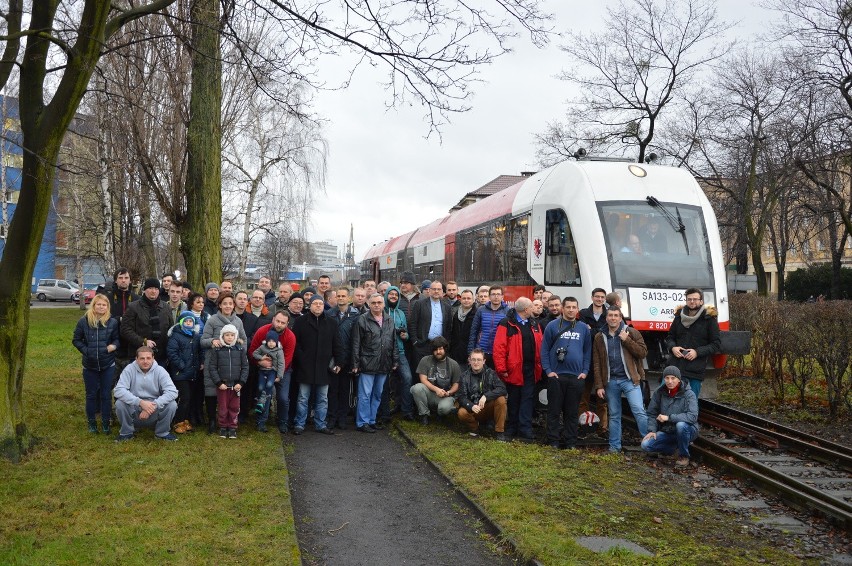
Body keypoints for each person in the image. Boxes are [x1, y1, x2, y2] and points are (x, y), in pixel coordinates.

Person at [593, 306, 648, 452]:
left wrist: (627, 340)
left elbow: (643, 353)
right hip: (611, 381)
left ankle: (649, 443)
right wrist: (599, 385)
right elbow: (597, 362)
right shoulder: (599, 336)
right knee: (614, 414)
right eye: (610, 315)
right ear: (606, 318)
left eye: (616, 315)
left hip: (630, 380)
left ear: (620, 317)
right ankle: (614, 447)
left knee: (638, 410)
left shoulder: (632, 332)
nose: (613, 318)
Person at [541, 297, 591, 449]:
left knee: (572, 412)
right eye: (568, 307)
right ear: (562, 308)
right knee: (554, 411)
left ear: (577, 309)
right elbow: (544, 350)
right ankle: (553, 441)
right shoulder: (552, 326)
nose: (571, 310)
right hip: (556, 376)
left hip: (576, 377)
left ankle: (570, 442)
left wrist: (585, 371)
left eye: (573, 307)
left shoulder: (583, 328)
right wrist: (548, 371)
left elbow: (587, 351)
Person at [492, 297, 542, 442]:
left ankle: (525, 429)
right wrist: (502, 369)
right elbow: (499, 348)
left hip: (530, 368)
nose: (534, 308)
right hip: (513, 369)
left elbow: (540, 344)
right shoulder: (506, 324)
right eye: (532, 306)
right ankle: (512, 427)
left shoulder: (534, 323)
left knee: (528, 398)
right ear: (526, 309)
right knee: (514, 399)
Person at [72, 294, 120, 434]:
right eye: (98, 304)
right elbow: (76, 340)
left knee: (106, 394)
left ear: (107, 307)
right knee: (91, 395)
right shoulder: (84, 321)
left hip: (108, 364)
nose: (101, 307)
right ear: (93, 305)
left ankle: (106, 422)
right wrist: (86, 351)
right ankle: (91, 422)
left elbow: (117, 339)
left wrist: (113, 347)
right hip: (89, 365)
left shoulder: (112, 322)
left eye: (104, 305)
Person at [351, 293, 399, 432]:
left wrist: (395, 360)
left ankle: (371, 420)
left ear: (383, 304)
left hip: (384, 363)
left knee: (377, 394)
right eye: (373, 303)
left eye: (379, 302)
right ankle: (362, 422)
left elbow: (393, 342)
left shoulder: (389, 320)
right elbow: (356, 343)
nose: (377, 305)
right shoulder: (362, 320)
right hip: (367, 362)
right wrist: (355, 364)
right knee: (364, 395)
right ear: (369, 304)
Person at [200, 292, 248, 432]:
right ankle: (212, 421)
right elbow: (203, 341)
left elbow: (244, 340)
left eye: (230, 303)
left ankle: (229, 421)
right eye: (225, 303)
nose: (228, 306)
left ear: (234, 305)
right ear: (220, 305)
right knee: (211, 391)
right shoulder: (213, 320)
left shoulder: (238, 321)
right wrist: (212, 341)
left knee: (230, 394)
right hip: (214, 361)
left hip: (233, 363)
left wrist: (240, 350)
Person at [291, 295, 338, 435]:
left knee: (322, 398)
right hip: (305, 366)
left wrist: (338, 362)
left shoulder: (331, 323)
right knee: (303, 398)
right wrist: (302, 358)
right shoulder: (300, 321)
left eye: (320, 304)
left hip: (324, 367)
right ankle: (299, 423)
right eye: (315, 303)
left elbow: (336, 344)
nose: (318, 306)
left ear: (324, 306)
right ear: (310, 305)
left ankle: (320, 424)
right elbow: (296, 344)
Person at [113, 347, 178, 441]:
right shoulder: (129, 369)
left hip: (154, 411)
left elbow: (172, 392)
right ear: (136, 359)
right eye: (142, 358)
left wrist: (152, 406)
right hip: (134, 410)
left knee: (172, 404)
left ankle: (162, 433)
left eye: (148, 358)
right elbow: (118, 390)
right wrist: (140, 402)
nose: (145, 361)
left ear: (153, 358)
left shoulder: (160, 371)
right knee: (120, 403)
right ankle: (126, 433)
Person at [665, 288, 721, 398]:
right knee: (666, 400)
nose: (692, 301)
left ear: (701, 301)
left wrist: (697, 352)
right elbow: (670, 338)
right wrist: (672, 348)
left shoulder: (709, 319)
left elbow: (716, 344)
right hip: (675, 368)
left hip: (695, 370)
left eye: (695, 299)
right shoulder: (678, 317)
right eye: (689, 299)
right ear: (686, 300)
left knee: (691, 403)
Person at [641, 366, 699, 466]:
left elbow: (692, 416)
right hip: (667, 431)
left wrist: (669, 418)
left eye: (673, 378)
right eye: (667, 378)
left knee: (680, 425)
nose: (670, 381)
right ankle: (674, 448)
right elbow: (651, 413)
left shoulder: (689, 394)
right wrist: (652, 430)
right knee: (645, 445)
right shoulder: (659, 393)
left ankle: (684, 456)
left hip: (688, 430)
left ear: (679, 379)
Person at [249, 311, 296, 434]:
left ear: (287, 324)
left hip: (283, 370)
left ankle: (282, 421)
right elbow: (252, 351)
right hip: (263, 369)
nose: (279, 324)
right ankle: (261, 421)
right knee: (265, 394)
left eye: (283, 323)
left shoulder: (290, 337)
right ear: (273, 319)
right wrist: (260, 362)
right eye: (278, 321)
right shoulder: (262, 331)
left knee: (283, 398)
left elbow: (287, 358)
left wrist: (276, 372)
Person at [378, 286, 414, 422]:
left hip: (400, 351)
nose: (393, 296)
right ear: (386, 296)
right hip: (384, 353)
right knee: (384, 383)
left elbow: (406, 335)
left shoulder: (400, 313)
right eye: (391, 294)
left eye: (396, 295)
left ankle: (406, 410)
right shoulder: (381, 312)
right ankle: (384, 412)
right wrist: (394, 331)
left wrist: (405, 335)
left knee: (407, 378)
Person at [205, 324, 249, 438]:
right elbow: (212, 367)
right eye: (227, 335)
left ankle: (233, 427)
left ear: (235, 336)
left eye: (232, 335)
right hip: (223, 385)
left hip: (236, 386)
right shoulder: (217, 350)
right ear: (222, 336)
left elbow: (245, 367)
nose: (229, 337)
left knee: (234, 407)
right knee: (223, 407)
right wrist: (219, 383)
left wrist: (241, 382)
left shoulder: (240, 349)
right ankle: (223, 426)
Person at [455, 349, 508, 440]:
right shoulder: (464, 376)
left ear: (484, 361)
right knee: (461, 413)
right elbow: (461, 396)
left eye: (479, 360)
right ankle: (475, 429)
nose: (476, 362)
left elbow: (502, 389)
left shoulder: (491, 373)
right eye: (473, 359)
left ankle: (499, 432)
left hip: (487, 407)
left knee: (501, 400)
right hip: (473, 410)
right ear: (469, 360)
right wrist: (471, 406)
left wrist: (486, 396)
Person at [121, 277, 174, 368]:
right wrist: (143, 341)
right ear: (145, 290)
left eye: (156, 289)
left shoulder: (166, 307)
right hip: (139, 356)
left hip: (161, 357)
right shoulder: (133, 307)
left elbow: (170, 329)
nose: (153, 291)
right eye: (150, 288)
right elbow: (125, 330)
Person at [329, 288, 362, 428]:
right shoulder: (329, 314)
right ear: (335, 298)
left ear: (348, 298)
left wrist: (354, 360)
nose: (341, 298)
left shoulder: (356, 316)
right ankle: (331, 417)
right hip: (333, 359)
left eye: (343, 296)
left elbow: (357, 340)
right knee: (332, 390)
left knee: (344, 390)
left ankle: (342, 417)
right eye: (339, 296)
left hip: (348, 358)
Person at [411, 337, 461, 425]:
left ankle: (440, 414)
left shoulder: (454, 364)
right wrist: (436, 390)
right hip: (429, 393)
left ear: (445, 349)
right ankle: (424, 415)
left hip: (446, 396)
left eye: (440, 349)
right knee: (417, 388)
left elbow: (456, 384)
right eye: (435, 349)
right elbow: (423, 379)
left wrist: (448, 392)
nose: (438, 352)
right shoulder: (425, 360)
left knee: (444, 408)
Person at [166, 310, 202, 434]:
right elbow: (172, 353)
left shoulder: (196, 336)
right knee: (184, 397)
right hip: (180, 373)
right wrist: (181, 365)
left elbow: (199, 352)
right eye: (186, 321)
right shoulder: (176, 336)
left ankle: (185, 420)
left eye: (190, 321)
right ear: (181, 322)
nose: (188, 323)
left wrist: (199, 364)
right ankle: (178, 422)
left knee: (190, 398)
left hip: (193, 372)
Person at [579, 288, 609, 429]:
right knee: (583, 397)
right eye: (597, 296)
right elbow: (583, 332)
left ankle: (602, 429)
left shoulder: (609, 314)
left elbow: (605, 334)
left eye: (602, 297)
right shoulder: (584, 313)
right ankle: (582, 425)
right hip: (586, 359)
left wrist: (592, 330)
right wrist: (598, 331)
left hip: (603, 361)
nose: (599, 299)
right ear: (592, 298)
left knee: (602, 399)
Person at [410, 280, 451, 368]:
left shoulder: (447, 306)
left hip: (439, 346)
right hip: (422, 344)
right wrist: (415, 341)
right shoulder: (419, 304)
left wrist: (446, 343)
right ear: (429, 290)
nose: (436, 291)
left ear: (442, 292)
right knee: (421, 371)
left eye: (439, 289)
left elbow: (448, 326)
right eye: (434, 289)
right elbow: (412, 323)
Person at [467, 285, 509, 367]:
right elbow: (473, 332)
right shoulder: (481, 310)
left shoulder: (507, 311)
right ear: (489, 296)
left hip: (498, 353)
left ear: (502, 296)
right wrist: (470, 353)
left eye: (498, 294)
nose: (496, 297)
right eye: (493, 294)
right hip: (481, 351)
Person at [252, 328, 285, 424]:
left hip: (272, 371)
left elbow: (281, 364)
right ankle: (260, 401)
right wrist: (261, 358)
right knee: (260, 386)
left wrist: (279, 376)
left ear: (276, 342)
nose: (271, 343)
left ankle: (261, 401)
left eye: (273, 341)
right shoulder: (262, 348)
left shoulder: (279, 351)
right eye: (269, 341)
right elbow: (254, 353)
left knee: (270, 384)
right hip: (262, 371)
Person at [448, 289, 476, 366]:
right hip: (455, 353)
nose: (466, 300)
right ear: (460, 300)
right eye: (464, 298)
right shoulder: (456, 314)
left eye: (469, 298)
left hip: (469, 353)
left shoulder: (476, 314)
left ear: (473, 300)